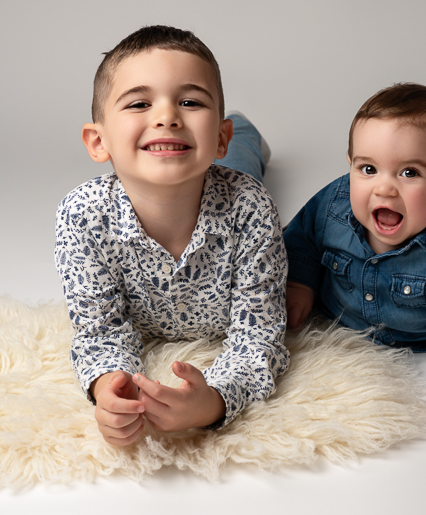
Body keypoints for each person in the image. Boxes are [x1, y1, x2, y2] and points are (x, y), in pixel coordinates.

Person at [54, 25, 288, 446]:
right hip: (196, 161)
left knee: (244, 165)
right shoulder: (82, 216)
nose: (167, 117)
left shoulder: (249, 207)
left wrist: (214, 400)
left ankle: (243, 133)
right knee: (216, 157)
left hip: (228, 178)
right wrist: (108, 385)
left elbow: (260, 336)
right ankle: (236, 130)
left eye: (190, 101)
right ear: (98, 141)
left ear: (217, 137)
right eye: (140, 103)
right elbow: (99, 330)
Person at [283, 83, 426, 426]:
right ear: (351, 167)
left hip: (417, 336)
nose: (384, 188)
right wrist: (300, 283)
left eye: (409, 173)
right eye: (368, 169)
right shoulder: (334, 202)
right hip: (337, 316)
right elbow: (302, 239)